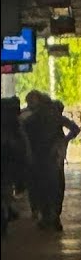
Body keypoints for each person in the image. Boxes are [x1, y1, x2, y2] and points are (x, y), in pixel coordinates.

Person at [20, 91, 80, 231]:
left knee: (43, 188)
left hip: (40, 158)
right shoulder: (55, 116)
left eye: (31, 103)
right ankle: (54, 217)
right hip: (55, 158)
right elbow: (75, 129)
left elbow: (23, 133)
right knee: (57, 187)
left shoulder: (32, 119)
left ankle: (47, 217)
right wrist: (63, 141)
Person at [1, 96, 31, 237]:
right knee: (5, 193)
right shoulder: (16, 126)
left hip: (7, 166)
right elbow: (23, 149)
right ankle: (6, 217)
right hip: (8, 167)